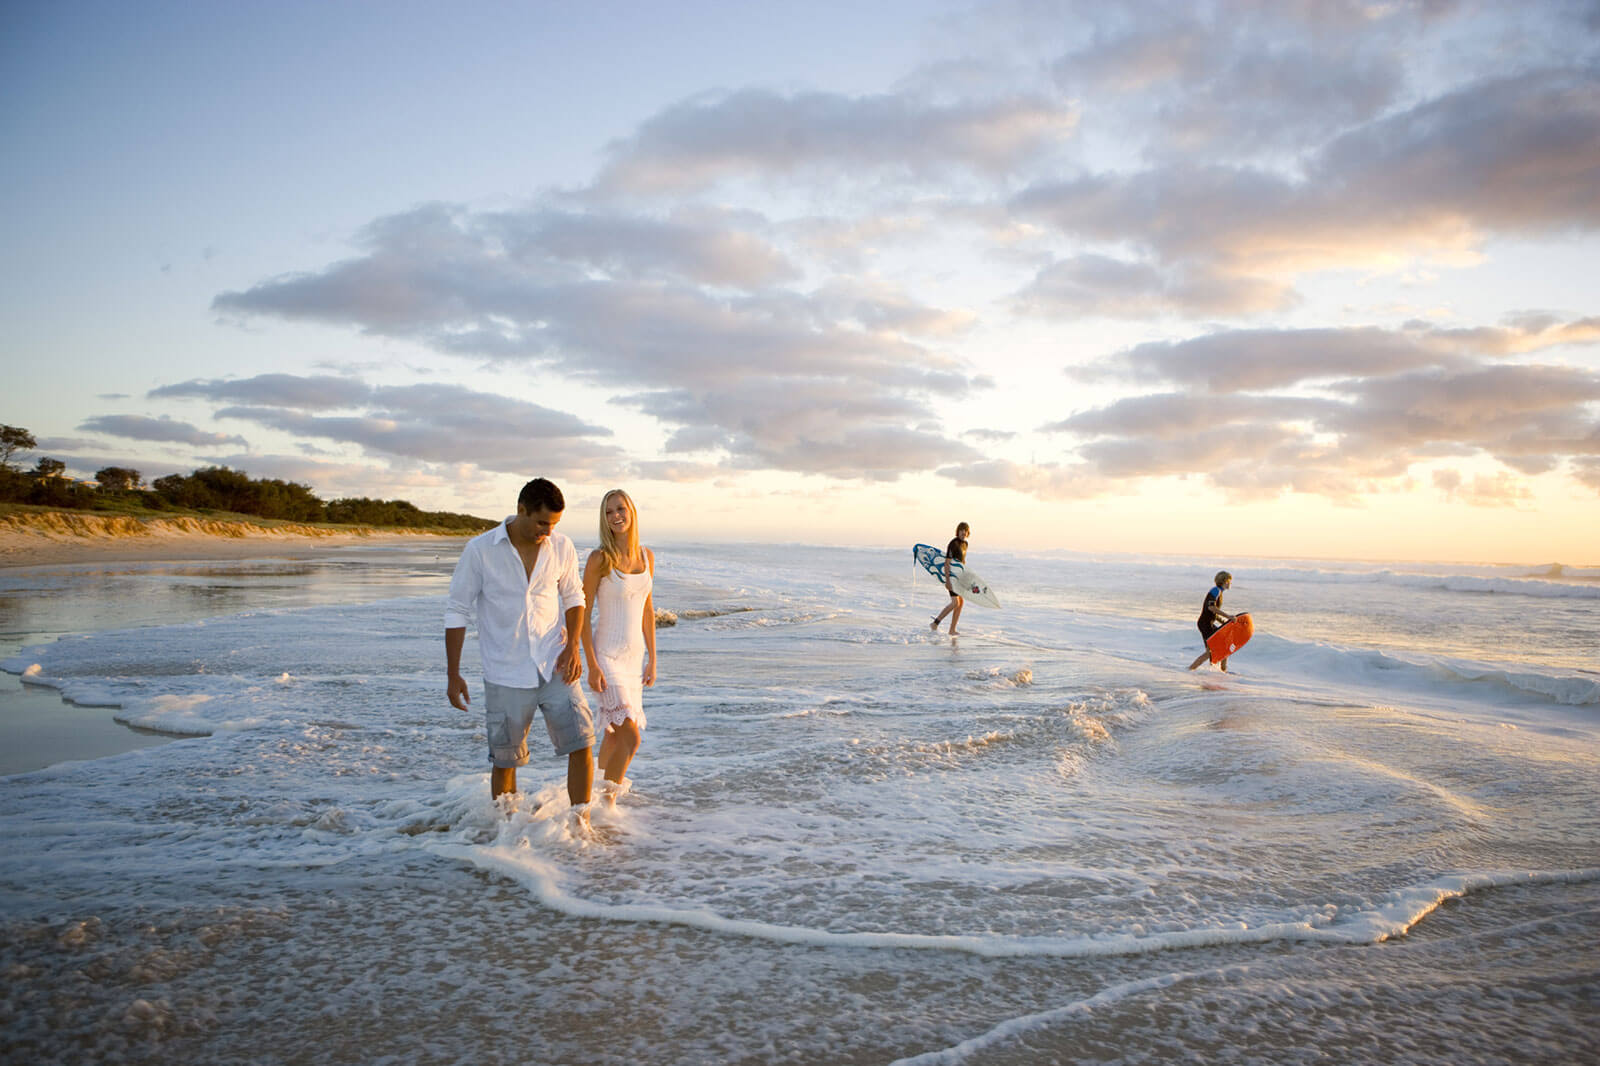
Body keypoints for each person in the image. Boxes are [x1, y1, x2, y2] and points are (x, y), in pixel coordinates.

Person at [445, 477, 595, 819]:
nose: (548, 531)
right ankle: (507, 830)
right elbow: (457, 610)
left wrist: (573, 645)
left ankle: (580, 825)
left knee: (582, 741)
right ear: (520, 510)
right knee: (506, 759)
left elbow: (574, 596)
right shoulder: (480, 550)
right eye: (542, 522)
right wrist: (453, 674)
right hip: (504, 671)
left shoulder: (561, 546)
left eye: (554, 524)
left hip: (555, 662)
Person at [580, 488, 657, 807]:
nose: (616, 516)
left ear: (632, 512)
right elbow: (581, 613)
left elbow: (648, 609)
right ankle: (608, 804)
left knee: (613, 732)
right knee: (630, 735)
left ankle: (594, 795)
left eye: (620, 509)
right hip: (606, 656)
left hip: (633, 658)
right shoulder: (600, 559)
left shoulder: (647, 556)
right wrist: (592, 664)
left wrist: (653, 658)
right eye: (609, 512)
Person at [1188, 570, 1236, 672]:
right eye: (1229, 581)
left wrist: (1223, 621)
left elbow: (1213, 612)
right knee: (1209, 652)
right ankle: (1189, 670)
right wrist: (1228, 616)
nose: (1230, 583)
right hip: (1205, 624)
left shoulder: (1219, 592)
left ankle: (1223, 671)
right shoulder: (1216, 590)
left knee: (1225, 645)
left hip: (1208, 623)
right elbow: (1211, 607)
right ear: (1225, 581)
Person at [930, 521, 971, 636]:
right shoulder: (953, 543)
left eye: (965, 531)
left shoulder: (965, 544)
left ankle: (952, 630)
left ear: (968, 533)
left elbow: (961, 562)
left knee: (960, 602)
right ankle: (935, 623)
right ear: (957, 531)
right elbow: (947, 563)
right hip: (951, 577)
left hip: (959, 577)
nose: (963, 532)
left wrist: (965, 576)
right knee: (955, 602)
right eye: (961, 530)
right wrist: (947, 580)